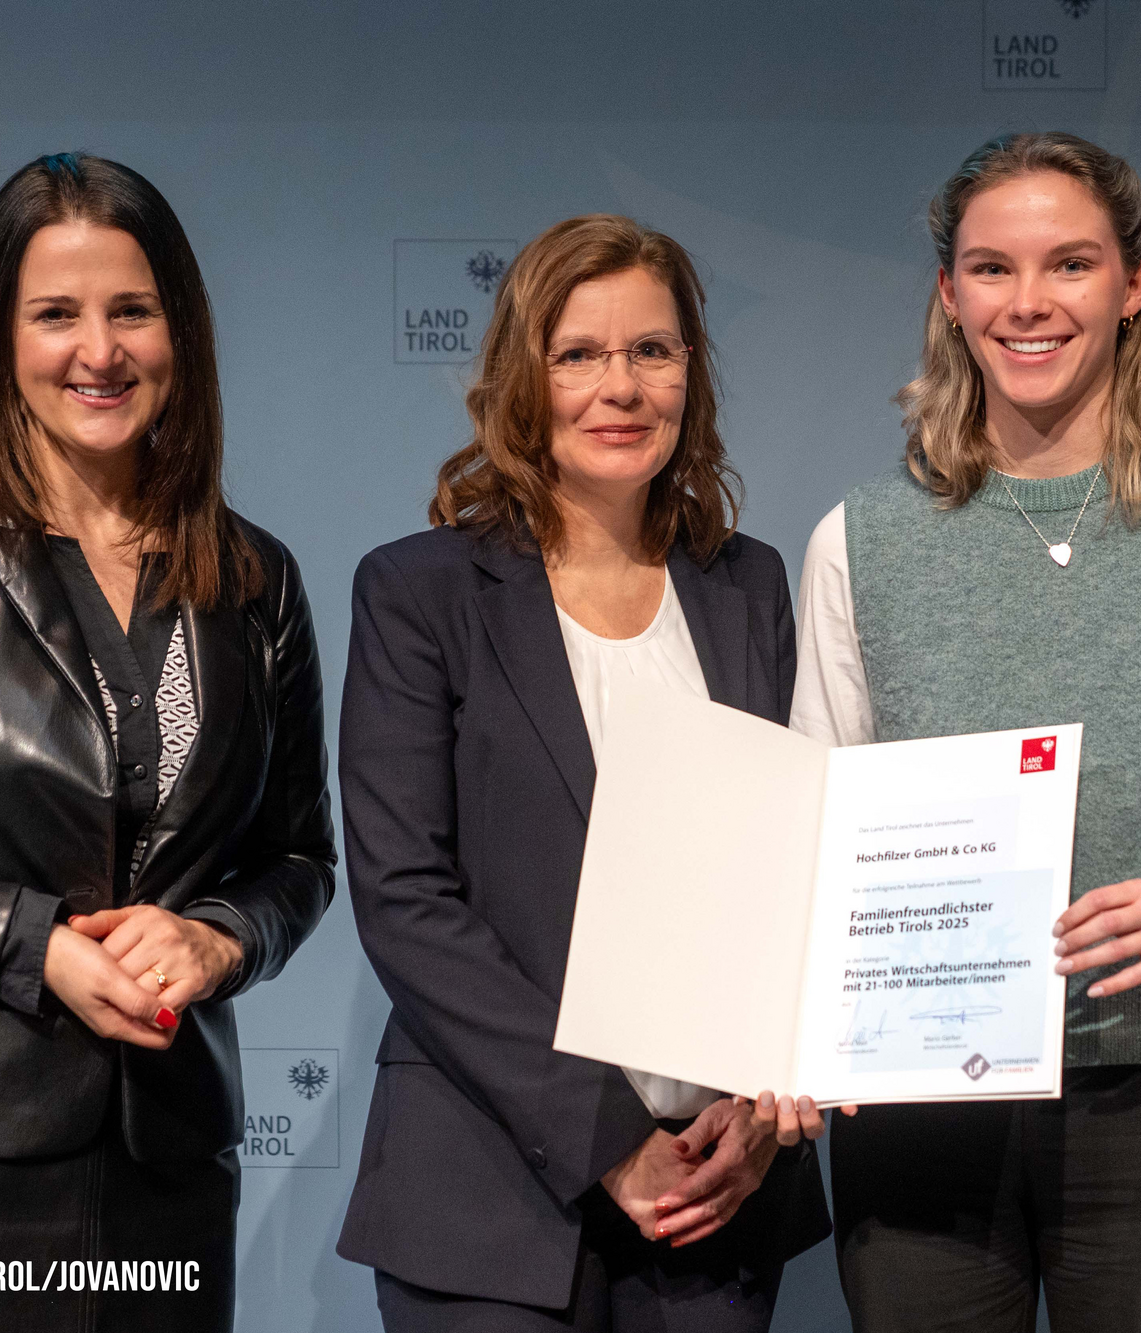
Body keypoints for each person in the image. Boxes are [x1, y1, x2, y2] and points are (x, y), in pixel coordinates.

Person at [791, 132, 1141, 1332]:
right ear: (948, 294)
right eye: (990, 268)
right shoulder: (857, 541)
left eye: (1068, 265)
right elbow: (819, 834)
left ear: (1132, 285)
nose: (1026, 303)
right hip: (913, 1103)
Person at [0, 153, 336, 1331]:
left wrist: (219, 940)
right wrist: (24, 942)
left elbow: (301, 860)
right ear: (0, 339)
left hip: (163, 1184)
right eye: (56, 314)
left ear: (180, 332)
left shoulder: (254, 579)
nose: (98, 351)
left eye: (131, 311)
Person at [337, 213, 831, 1332]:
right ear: (524, 377)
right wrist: (608, 1139)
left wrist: (760, 1110)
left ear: (689, 375)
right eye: (579, 355)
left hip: (716, 1192)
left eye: (651, 352)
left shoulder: (745, 584)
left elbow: (785, 872)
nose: (620, 386)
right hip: (485, 1195)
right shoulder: (420, 593)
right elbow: (406, 902)